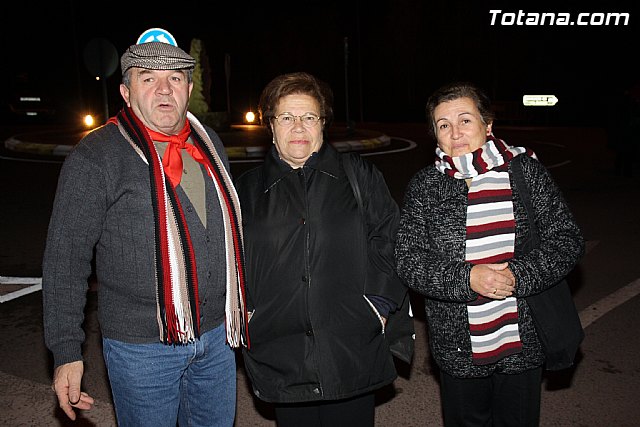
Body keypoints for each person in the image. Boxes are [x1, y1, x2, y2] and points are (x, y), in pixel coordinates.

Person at [42, 31, 248, 426]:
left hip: (217, 339)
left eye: (175, 78)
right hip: (142, 350)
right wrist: (66, 352)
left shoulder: (209, 144)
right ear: (125, 92)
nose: (164, 89)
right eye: (148, 78)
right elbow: (65, 260)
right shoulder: (97, 156)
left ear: (189, 89)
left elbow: (227, 237)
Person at [394, 82, 585, 426]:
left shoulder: (525, 171)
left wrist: (517, 275)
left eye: (465, 120)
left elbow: (566, 239)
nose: (455, 133)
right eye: (443, 125)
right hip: (457, 344)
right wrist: (468, 278)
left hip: (523, 338)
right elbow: (408, 259)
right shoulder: (425, 186)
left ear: (488, 125)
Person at [234, 71, 408, 427]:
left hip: (349, 344)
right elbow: (232, 256)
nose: (298, 127)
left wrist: (379, 304)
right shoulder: (247, 190)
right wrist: (247, 310)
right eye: (287, 117)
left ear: (323, 124)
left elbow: (390, 236)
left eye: (309, 117)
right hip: (281, 349)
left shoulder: (357, 175)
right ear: (271, 126)